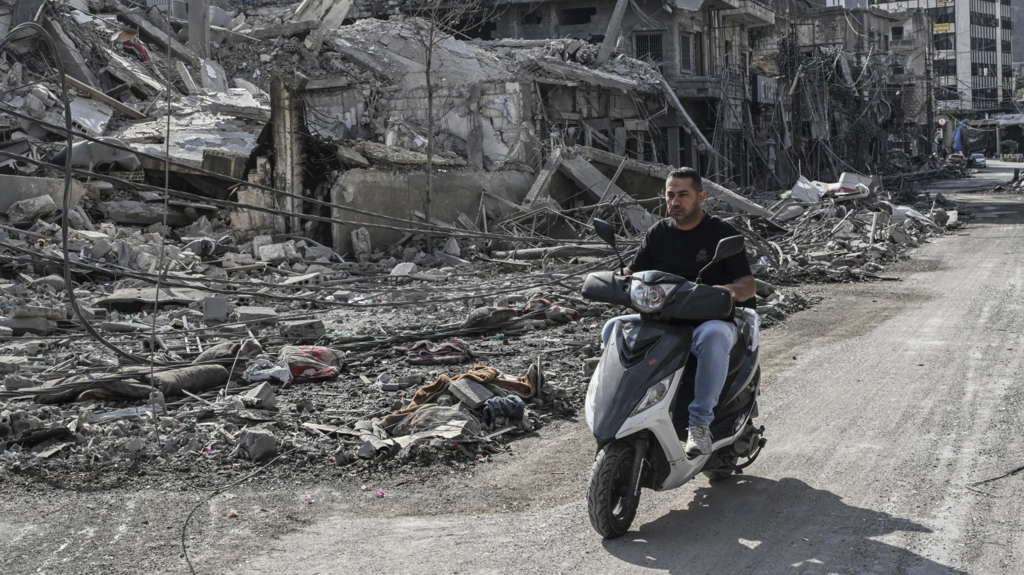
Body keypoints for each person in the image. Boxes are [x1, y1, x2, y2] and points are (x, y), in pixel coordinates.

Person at [600, 167, 755, 457]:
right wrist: (612, 280)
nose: (675, 201)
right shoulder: (657, 234)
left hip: (707, 321)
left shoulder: (721, 233)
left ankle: (699, 425)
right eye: (670, 195)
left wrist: (728, 291)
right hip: (661, 320)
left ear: (701, 197)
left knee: (714, 336)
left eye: (683, 194)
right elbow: (632, 272)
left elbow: (748, 284)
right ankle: (613, 408)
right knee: (613, 328)